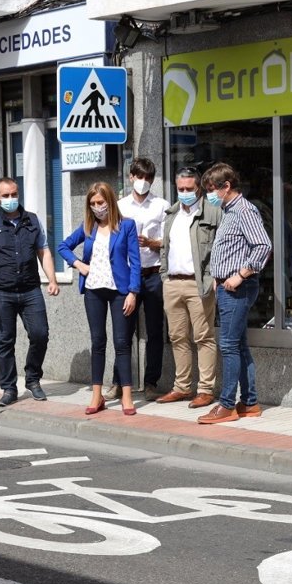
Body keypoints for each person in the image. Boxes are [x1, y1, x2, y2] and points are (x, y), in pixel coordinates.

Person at [0, 178, 60, 407]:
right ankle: (9, 388)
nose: (11, 199)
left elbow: (43, 250)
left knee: (40, 335)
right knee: (5, 341)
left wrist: (52, 279)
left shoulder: (32, 220)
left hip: (30, 289)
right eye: (6, 195)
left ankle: (33, 378)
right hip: (1, 291)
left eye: (14, 194)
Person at [196, 162, 271, 425]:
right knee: (238, 344)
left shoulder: (244, 210)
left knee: (228, 345)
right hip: (228, 286)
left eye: (211, 189)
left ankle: (226, 404)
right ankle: (249, 402)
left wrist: (240, 274)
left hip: (238, 287)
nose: (209, 195)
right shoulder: (229, 211)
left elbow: (263, 245)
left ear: (226, 186)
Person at [58, 182, 141, 416]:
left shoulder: (127, 226)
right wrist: (78, 264)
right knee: (98, 342)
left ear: (110, 201)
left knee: (122, 343)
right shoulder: (88, 227)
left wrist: (133, 292)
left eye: (100, 202)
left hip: (120, 291)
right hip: (93, 290)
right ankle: (97, 395)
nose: (97, 207)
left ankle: (127, 396)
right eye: (93, 203)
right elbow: (63, 246)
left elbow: (135, 262)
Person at [155, 166, 221, 408]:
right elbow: (165, 247)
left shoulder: (213, 212)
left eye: (189, 189)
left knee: (203, 336)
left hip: (198, 283)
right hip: (173, 283)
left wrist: (213, 277)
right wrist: (165, 276)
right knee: (177, 337)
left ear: (199, 188)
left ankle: (205, 390)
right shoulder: (171, 214)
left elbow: (220, 247)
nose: (184, 193)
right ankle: (182, 387)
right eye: (180, 189)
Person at [110, 156, 170, 401]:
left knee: (155, 331)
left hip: (153, 273)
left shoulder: (162, 205)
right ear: (131, 177)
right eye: (139, 176)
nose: (143, 181)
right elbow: (111, 239)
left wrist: (152, 243)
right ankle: (118, 381)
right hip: (127, 277)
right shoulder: (120, 206)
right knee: (123, 331)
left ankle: (151, 383)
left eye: (148, 178)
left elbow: (169, 241)